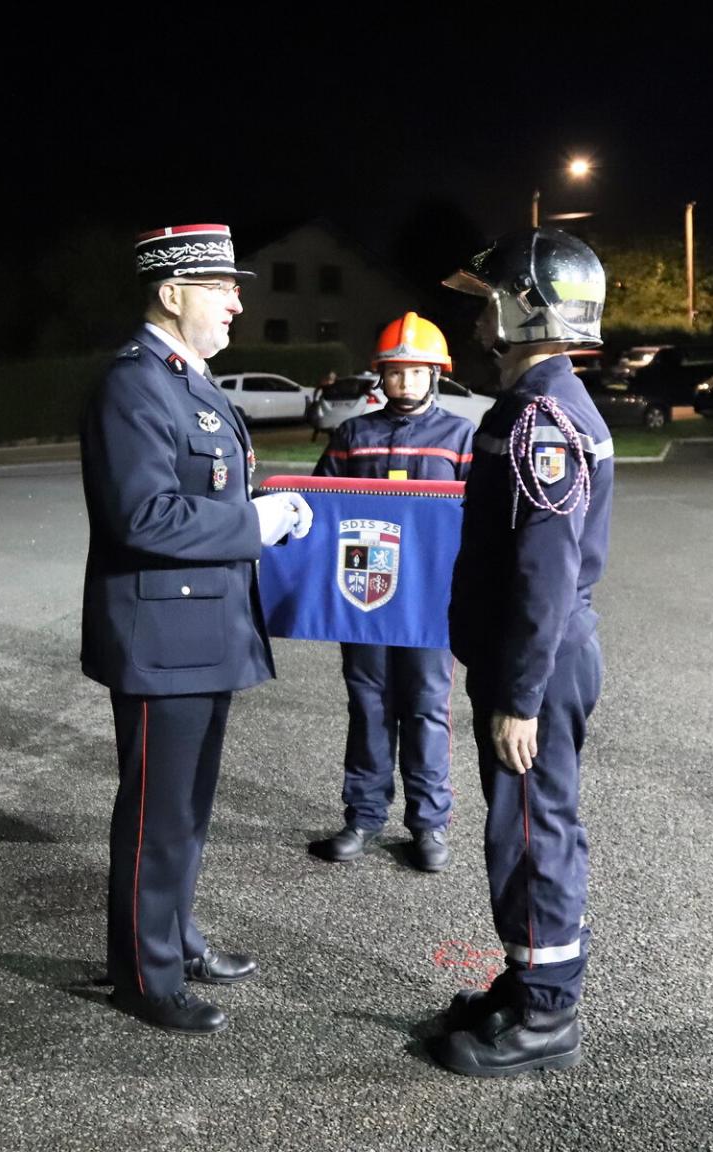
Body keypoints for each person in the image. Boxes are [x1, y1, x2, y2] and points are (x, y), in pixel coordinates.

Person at [79, 223, 313, 1035]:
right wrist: (255, 523)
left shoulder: (183, 379)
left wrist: (255, 511)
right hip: (163, 639)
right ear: (172, 292)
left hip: (201, 633)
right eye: (222, 288)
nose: (237, 303)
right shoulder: (134, 384)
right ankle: (146, 977)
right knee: (157, 816)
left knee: (185, 812)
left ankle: (174, 940)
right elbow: (143, 515)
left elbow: (198, 492)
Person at [427, 228, 614, 1077]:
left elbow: (545, 571)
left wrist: (520, 696)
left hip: (535, 660)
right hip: (526, 655)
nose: (477, 323)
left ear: (527, 309)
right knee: (524, 827)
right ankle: (527, 976)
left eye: (489, 303)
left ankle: (547, 1014)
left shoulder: (544, 414)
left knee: (535, 833)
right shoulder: (536, 402)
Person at [310, 312, 475, 871]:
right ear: (381, 375)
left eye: (417, 372)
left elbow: (478, 518)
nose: (405, 382)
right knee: (369, 705)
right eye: (396, 372)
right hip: (366, 597)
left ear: (436, 375)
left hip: (429, 602)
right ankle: (362, 817)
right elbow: (319, 507)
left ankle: (428, 827)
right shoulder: (353, 435)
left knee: (427, 708)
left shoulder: (460, 437)